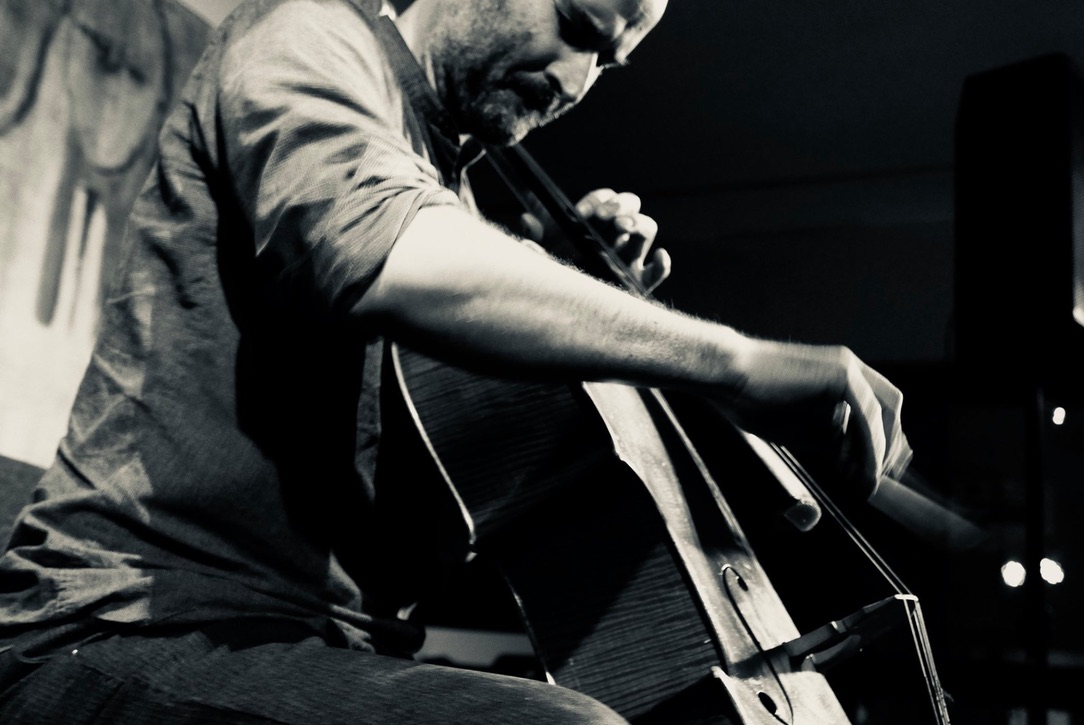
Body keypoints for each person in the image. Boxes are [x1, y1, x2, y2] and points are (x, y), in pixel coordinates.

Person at [0, 0, 912, 722]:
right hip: (125, 626)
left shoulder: (456, 197)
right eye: (576, 25)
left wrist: (565, 290)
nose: (575, 80)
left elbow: (447, 479)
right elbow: (394, 251)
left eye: (608, 61)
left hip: (316, 649)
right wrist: (731, 361)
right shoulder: (310, 35)